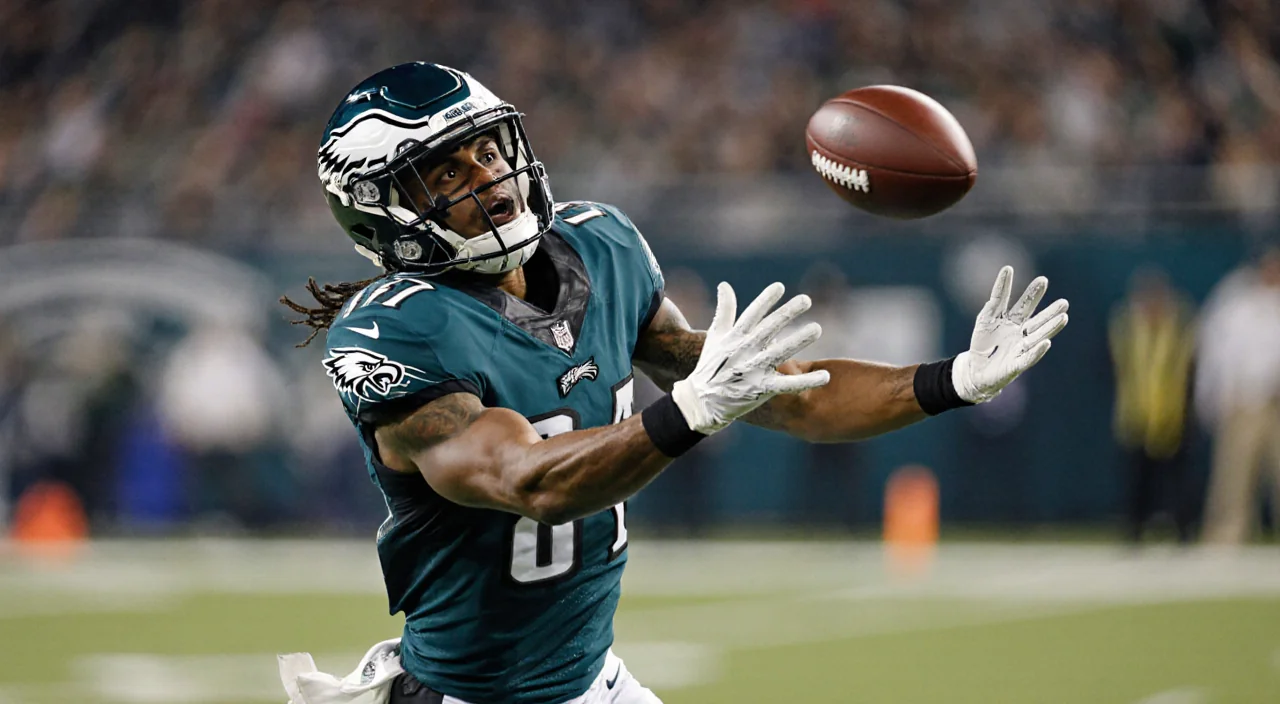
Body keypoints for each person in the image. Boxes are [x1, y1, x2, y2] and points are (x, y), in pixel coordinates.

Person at [279, 62, 1070, 704]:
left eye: (487, 150)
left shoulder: (598, 245)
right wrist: (687, 412)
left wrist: (951, 380)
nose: (488, 178)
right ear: (381, 212)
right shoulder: (399, 329)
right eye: (445, 174)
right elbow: (523, 478)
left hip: (593, 681)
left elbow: (787, 393)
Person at [1196, 245, 1280, 545]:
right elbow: (1218, 355)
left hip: (1276, 404)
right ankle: (1225, 540)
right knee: (1233, 479)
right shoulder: (1237, 305)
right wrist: (1210, 397)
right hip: (1244, 402)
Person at [1108, 267, 1197, 543]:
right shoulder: (1128, 327)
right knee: (1138, 482)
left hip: (1173, 415)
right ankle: (1134, 533)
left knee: (1176, 482)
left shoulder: (1180, 326)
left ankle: (1183, 533)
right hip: (1138, 414)